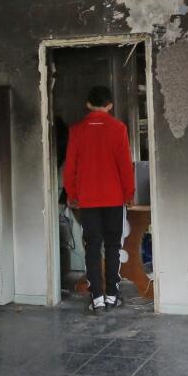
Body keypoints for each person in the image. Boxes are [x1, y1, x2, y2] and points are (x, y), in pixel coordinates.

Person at [62, 85, 135, 314]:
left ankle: (97, 299)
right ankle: (113, 295)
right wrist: (129, 194)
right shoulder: (118, 128)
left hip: (88, 200)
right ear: (109, 105)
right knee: (113, 245)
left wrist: (72, 195)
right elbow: (125, 166)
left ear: (88, 104)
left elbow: (70, 167)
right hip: (114, 199)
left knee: (93, 247)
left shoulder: (76, 131)